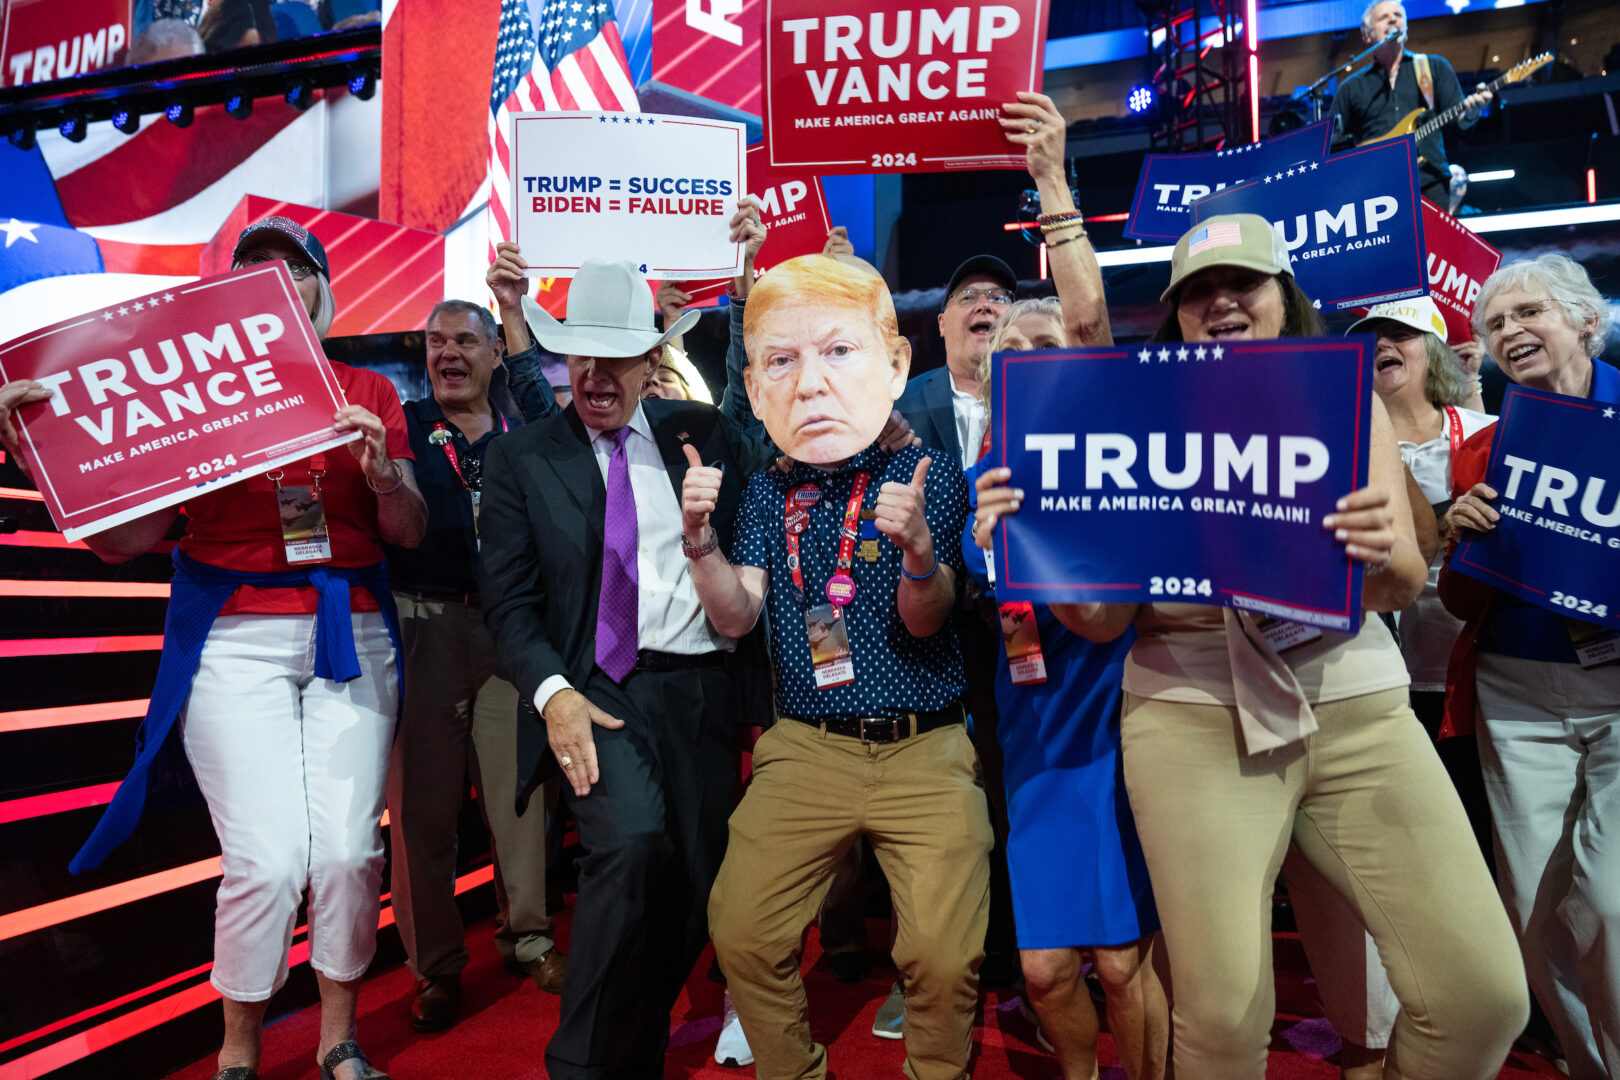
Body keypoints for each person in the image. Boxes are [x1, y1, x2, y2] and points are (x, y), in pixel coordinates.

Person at [976, 212, 1528, 1078]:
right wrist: (1041, 553)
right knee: (1224, 1024)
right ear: (1175, 314)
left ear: (1284, 298)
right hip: (1192, 718)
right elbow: (1106, 622)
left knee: (1485, 998)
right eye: (1197, 291)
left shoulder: (1344, 401)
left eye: (1243, 284)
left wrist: (1380, 552)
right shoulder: (1134, 413)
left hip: (1354, 703)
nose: (1221, 302)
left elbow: (1403, 584)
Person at [1, 216, 428, 1080]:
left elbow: (408, 530)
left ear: (321, 287)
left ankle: (337, 1040)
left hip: (353, 629)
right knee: (266, 861)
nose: (276, 279)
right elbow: (127, 541)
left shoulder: (367, 391)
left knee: (349, 852)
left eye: (294, 267)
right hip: (234, 637)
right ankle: (238, 1056)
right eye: (253, 269)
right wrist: (38, 458)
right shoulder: (201, 393)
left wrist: (384, 473)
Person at [478, 233, 775, 1079]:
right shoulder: (521, 459)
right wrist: (552, 694)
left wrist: (751, 286)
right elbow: (510, 603)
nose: (595, 377)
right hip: (597, 693)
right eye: (579, 355)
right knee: (634, 842)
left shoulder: (702, 433)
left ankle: (630, 1051)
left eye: (617, 358)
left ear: (654, 359)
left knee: (692, 890)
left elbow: (773, 428)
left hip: (704, 695)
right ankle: (578, 1064)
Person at [689, 250, 991, 1080]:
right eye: (781, 361)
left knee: (940, 956)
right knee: (743, 929)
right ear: (755, 387)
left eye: (838, 352)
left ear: (895, 366)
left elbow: (927, 623)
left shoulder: (926, 472)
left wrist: (922, 557)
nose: (810, 384)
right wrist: (702, 549)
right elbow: (737, 613)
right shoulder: (763, 493)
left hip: (923, 744)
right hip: (806, 745)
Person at [965, 300, 1169, 1080]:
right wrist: (984, 544)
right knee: (1047, 970)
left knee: (1121, 965)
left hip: (1119, 720)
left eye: (1045, 344)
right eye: (1009, 349)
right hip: (1035, 734)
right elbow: (980, 590)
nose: (1027, 355)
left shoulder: (1118, 461)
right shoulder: (982, 480)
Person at [1439, 253, 1620, 1080]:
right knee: (1535, 914)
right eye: (1496, 324)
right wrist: (1459, 538)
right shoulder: (1485, 448)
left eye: (1529, 314)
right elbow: (1461, 605)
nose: (1511, 332)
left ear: (1586, 320)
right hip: (1516, 694)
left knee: (1607, 902)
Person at [381, 298, 563, 1034]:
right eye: (434, 341)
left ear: (495, 352)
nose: (446, 354)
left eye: (463, 340)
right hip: (423, 624)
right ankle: (436, 968)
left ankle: (529, 937)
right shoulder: (403, 429)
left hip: (507, 631)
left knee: (520, 802)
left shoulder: (523, 438)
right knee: (421, 810)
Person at [1348, 297, 1497, 859]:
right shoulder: (1347, 446)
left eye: (1399, 334)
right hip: (1387, 682)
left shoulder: (1490, 433)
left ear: (1431, 350)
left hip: (1479, 680)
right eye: (1371, 336)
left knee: (1484, 841)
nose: (1382, 344)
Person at [1328, 0, 1492, 208]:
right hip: (1374, 190)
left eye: (1398, 15)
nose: (1393, 19)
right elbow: (1333, 143)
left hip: (1429, 182)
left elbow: (1460, 127)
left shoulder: (1434, 67)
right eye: (1383, 17)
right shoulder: (1351, 87)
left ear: (1406, 28)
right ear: (1367, 35)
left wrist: (1471, 113)